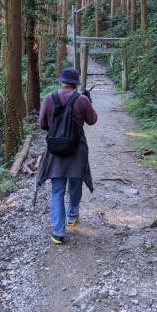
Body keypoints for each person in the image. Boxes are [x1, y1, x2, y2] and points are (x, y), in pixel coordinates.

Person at [37, 67, 98, 245]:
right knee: (75, 184)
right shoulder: (82, 99)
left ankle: (58, 232)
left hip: (55, 151)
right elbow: (92, 120)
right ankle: (72, 215)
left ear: (61, 81)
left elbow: (42, 124)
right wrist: (88, 101)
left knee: (57, 190)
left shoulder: (49, 98)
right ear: (75, 83)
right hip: (77, 150)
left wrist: (58, 133)